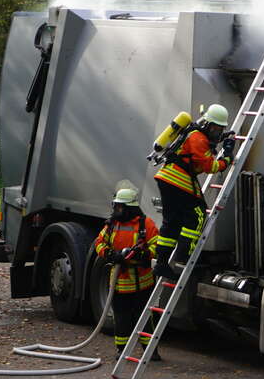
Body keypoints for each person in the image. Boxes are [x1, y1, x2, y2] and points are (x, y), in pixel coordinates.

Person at [151, 103, 233, 280]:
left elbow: (206, 145)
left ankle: (161, 263)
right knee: (198, 214)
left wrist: (223, 138)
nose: (216, 132)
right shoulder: (198, 138)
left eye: (220, 129)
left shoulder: (197, 135)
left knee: (171, 221)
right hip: (178, 180)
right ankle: (184, 254)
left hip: (168, 179)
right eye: (214, 128)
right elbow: (210, 166)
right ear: (206, 125)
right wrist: (227, 157)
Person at [94, 185, 160, 357]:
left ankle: (150, 351)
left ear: (130, 208)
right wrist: (110, 254)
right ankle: (122, 351)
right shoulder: (111, 225)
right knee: (121, 318)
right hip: (119, 282)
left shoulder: (145, 224)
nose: (117, 210)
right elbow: (99, 243)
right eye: (116, 206)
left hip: (142, 281)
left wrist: (144, 253)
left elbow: (157, 245)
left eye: (120, 207)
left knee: (144, 317)